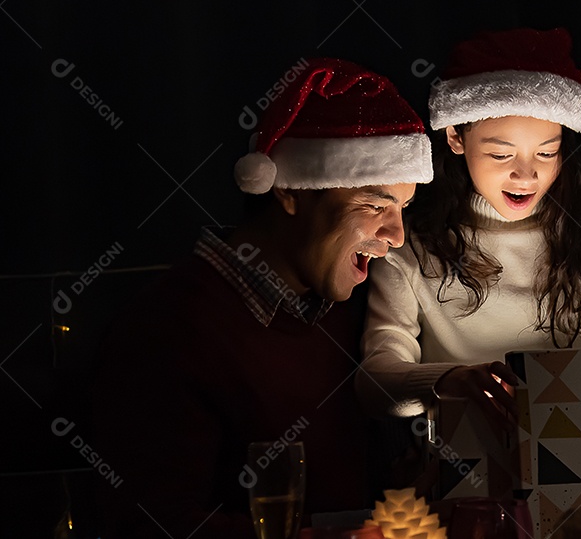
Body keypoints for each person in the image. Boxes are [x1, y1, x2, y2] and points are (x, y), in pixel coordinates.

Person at [92, 58, 433, 538]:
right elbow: (146, 526)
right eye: (375, 204)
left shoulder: (344, 314)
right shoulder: (167, 329)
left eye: (403, 208)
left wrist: (404, 490)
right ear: (291, 190)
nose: (396, 235)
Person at [357, 28, 581, 428]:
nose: (526, 175)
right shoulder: (407, 246)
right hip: (469, 477)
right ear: (456, 138)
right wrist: (449, 381)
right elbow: (374, 382)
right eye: (501, 153)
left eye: (547, 152)